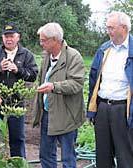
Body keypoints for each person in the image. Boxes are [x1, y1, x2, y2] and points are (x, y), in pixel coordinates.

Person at [0, 23, 38, 168]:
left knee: (17, 139)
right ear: (2, 38)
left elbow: (33, 75)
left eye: (12, 36)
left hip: (16, 104)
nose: (9, 39)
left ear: (18, 37)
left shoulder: (26, 55)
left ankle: (19, 165)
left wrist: (18, 70)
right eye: (6, 36)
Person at [33, 22, 85, 168]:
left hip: (67, 115)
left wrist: (54, 86)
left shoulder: (73, 57)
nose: (40, 43)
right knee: (46, 155)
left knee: (68, 157)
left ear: (54, 40)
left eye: (43, 40)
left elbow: (77, 84)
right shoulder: (46, 57)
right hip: (48, 114)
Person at [87, 11, 133, 168]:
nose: (108, 31)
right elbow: (93, 80)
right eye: (107, 27)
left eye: (111, 28)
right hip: (103, 108)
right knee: (103, 156)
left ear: (124, 28)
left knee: (125, 156)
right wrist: (92, 110)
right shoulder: (104, 49)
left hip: (123, 109)